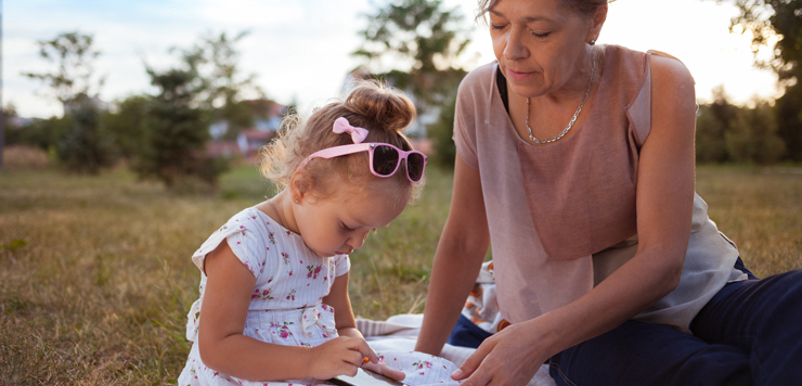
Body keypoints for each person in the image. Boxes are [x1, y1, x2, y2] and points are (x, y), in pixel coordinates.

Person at [414, 0, 802, 385]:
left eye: (540, 31)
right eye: (498, 26)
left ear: (595, 20)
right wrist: (420, 364)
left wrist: (535, 340)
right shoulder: (479, 96)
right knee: (699, 373)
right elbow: (465, 240)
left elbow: (662, 261)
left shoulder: (658, 81)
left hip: (699, 292)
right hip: (578, 325)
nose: (511, 50)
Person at [178, 81, 427, 385]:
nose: (357, 243)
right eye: (348, 226)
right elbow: (217, 348)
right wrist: (312, 360)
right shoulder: (246, 243)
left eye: (370, 231)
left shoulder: (331, 251)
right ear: (302, 187)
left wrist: (358, 355)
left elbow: (344, 325)